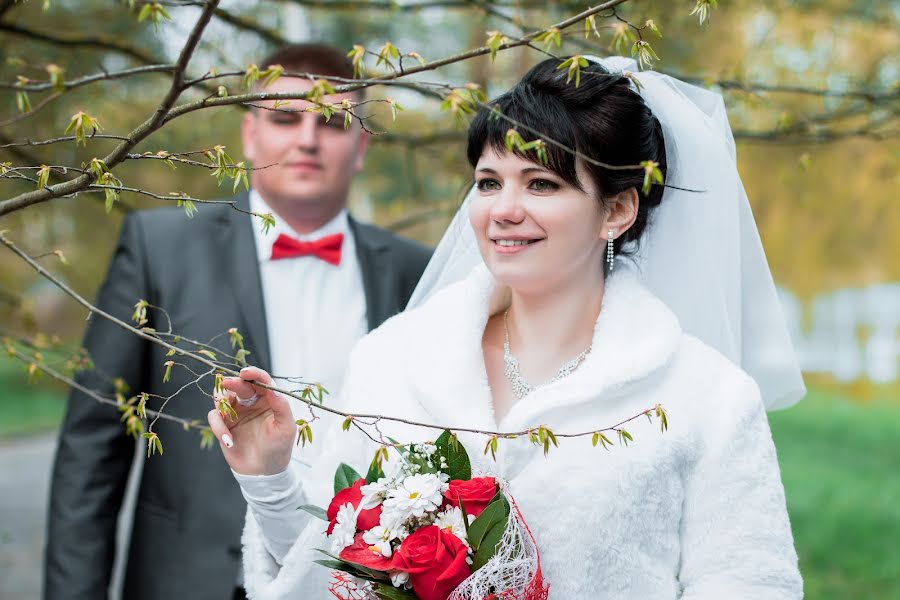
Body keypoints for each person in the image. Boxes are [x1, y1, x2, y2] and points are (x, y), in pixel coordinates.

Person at [208, 56, 805, 599]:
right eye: (490, 182)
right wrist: (270, 482)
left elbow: (751, 582)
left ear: (618, 210)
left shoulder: (707, 396)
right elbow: (327, 578)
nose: (503, 210)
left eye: (542, 184)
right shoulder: (394, 358)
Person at [44, 43, 432, 600]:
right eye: (284, 117)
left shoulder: (414, 271)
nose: (307, 138)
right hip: (193, 582)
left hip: (361, 583)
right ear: (250, 134)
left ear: (361, 144)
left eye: (331, 121)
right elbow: (92, 449)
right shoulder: (159, 248)